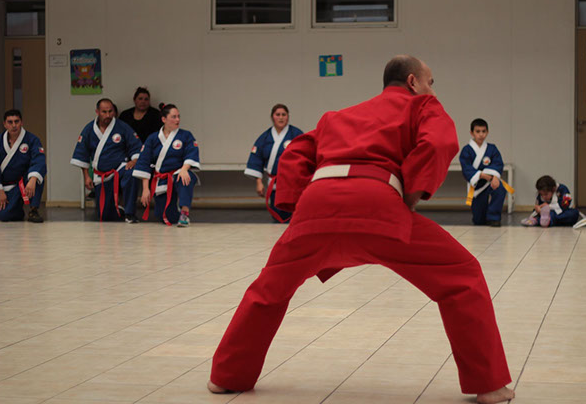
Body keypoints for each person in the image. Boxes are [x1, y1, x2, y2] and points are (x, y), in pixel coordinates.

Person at [208, 55, 515, 404]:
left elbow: (294, 153)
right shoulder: (422, 106)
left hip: (317, 205)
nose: (432, 90)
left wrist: (301, 208)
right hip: (377, 204)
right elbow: (438, 143)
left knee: (269, 290)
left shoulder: (337, 116)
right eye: (430, 82)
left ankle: (226, 377)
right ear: (413, 82)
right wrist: (411, 195)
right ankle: (489, 385)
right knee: (462, 276)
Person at [70, 98, 142, 222]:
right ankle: (118, 210)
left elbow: (136, 146)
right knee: (104, 215)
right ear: (97, 112)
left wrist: (134, 160)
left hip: (120, 168)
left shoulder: (122, 127)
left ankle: (130, 213)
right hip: (101, 174)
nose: (108, 115)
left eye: (110, 111)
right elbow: (82, 154)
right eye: (104, 112)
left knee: (131, 173)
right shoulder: (89, 129)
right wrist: (87, 176)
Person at [133, 104, 200, 227]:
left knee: (186, 178)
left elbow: (191, 153)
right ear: (164, 119)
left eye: (178, 116)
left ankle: (184, 214)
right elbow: (144, 162)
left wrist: (184, 169)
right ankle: (176, 212)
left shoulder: (186, 135)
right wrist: (146, 189)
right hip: (162, 178)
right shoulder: (153, 138)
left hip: (178, 173)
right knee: (165, 216)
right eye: (173, 117)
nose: (177, 120)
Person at [244, 104, 303, 222]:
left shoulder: (296, 134)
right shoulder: (265, 137)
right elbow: (256, 159)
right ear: (272, 117)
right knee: (277, 215)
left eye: (283, 115)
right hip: (274, 184)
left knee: (293, 216)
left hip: (292, 184)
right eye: (278, 115)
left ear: (288, 117)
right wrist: (259, 182)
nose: (281, 117)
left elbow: (305, 157)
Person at [459, 118, 513, 227]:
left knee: (500, 188)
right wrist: (481, 175)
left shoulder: (492, 149)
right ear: (472, 133)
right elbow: (466, 167)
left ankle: (494, 218)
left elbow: (498, 163)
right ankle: (482, 216)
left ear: (487, 132)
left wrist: (494, 176)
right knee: (479, 221)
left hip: (490, 182)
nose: (481, 134)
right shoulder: (466, 150)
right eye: (477, 131)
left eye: (483, 131)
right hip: (476, 185)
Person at [0, 109, 46, 222]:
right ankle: (16, 209)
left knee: (37, 176)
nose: (14, 125)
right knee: (4, 216)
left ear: (21, 122)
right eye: (10, 122)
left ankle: (33, 210)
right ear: (4, 124)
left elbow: (39, 161)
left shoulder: (32, 140)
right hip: (4, 187)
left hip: (24, 183)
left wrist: (33, 179)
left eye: (16, 121)